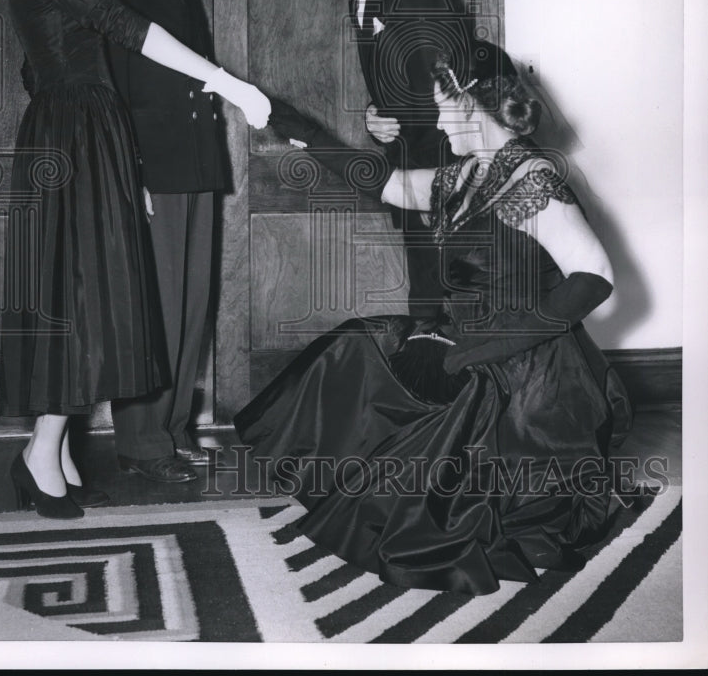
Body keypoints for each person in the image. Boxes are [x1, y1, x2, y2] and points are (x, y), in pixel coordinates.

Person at [234, 41, 633, 594]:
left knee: (420, 484)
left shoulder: (533, 178)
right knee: (359, 344)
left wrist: (480, 349)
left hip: (524, 366)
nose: (437, 119)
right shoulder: (466, 174)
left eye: (444, 106)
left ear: (475, 104)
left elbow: (592, 278)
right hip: (460, 334)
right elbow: (388, 183)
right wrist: (294, 124)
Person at [0, 0, 270, 519]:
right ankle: (42, 450)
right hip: (82, 131)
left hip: (79, 129)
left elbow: (40, 67)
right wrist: (228, 84)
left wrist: (69, 115)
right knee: (84, 294)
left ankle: (48, 446)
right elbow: (127, 28)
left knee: (80, 291)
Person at [285, 0, 475, 319]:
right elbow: (410, 80)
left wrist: (442, 193)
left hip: (443, 178)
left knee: (443, 309)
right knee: (430, 305)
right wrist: (378, 114)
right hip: (417, 172)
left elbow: (453, 94)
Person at [102, 0, 227, 482]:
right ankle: (142, 445)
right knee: (153, 308)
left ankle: (174, 431)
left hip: (198, 163)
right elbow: (111, 90)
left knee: (191, 305)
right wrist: (132, 173)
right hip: (152, 170)